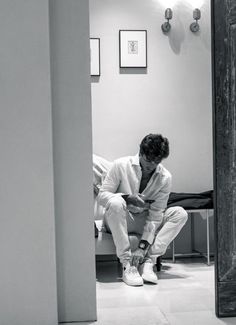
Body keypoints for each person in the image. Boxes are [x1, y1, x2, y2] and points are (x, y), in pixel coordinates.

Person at [97, 134, 188, 286]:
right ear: (140, 153)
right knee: (115, 202)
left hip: (144, 220)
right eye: (148, 160)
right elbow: (102, 196)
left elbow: (155, 215)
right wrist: (127, 198)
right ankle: (127, 264)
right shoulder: (120, 165)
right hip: (119, 217)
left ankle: (148, 261)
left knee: (180, 214)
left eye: (156, 161)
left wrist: (142, 247)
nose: (151, 165)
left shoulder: (165, 177)